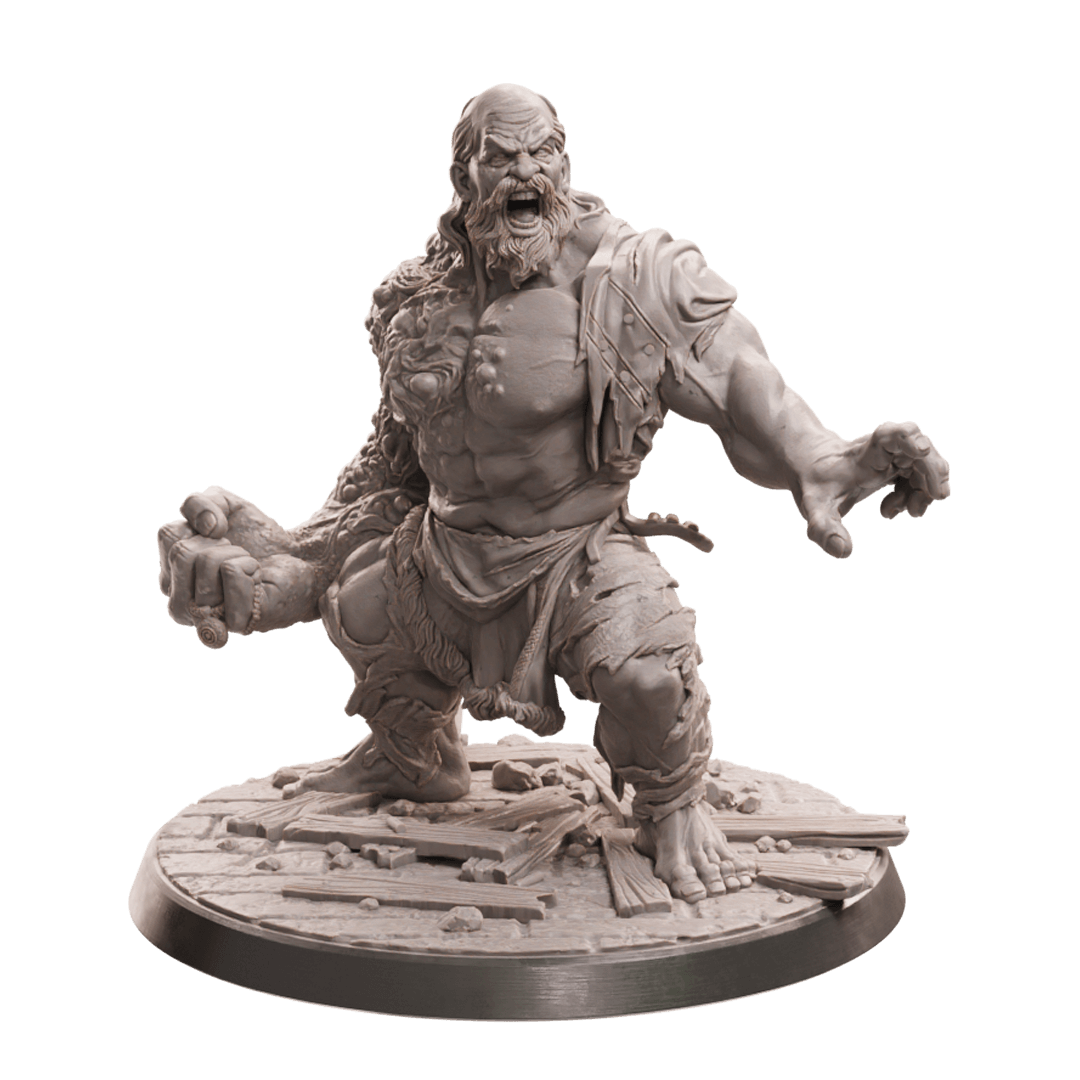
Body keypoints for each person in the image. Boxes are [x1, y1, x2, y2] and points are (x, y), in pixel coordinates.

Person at [157, 84, 950, 902]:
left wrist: (821, 455)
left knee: (648, 682)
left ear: (565, 165)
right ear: (463, 176)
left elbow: (741, 377)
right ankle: (414, 755)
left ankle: (672, 806)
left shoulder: (636, 276)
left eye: (542, 152)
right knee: (355, 599)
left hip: (575, 550)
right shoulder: (415, 297)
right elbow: (392, 459)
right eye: (501, 156)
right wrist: (288, 549)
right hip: (444, 550)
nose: (525, 172)